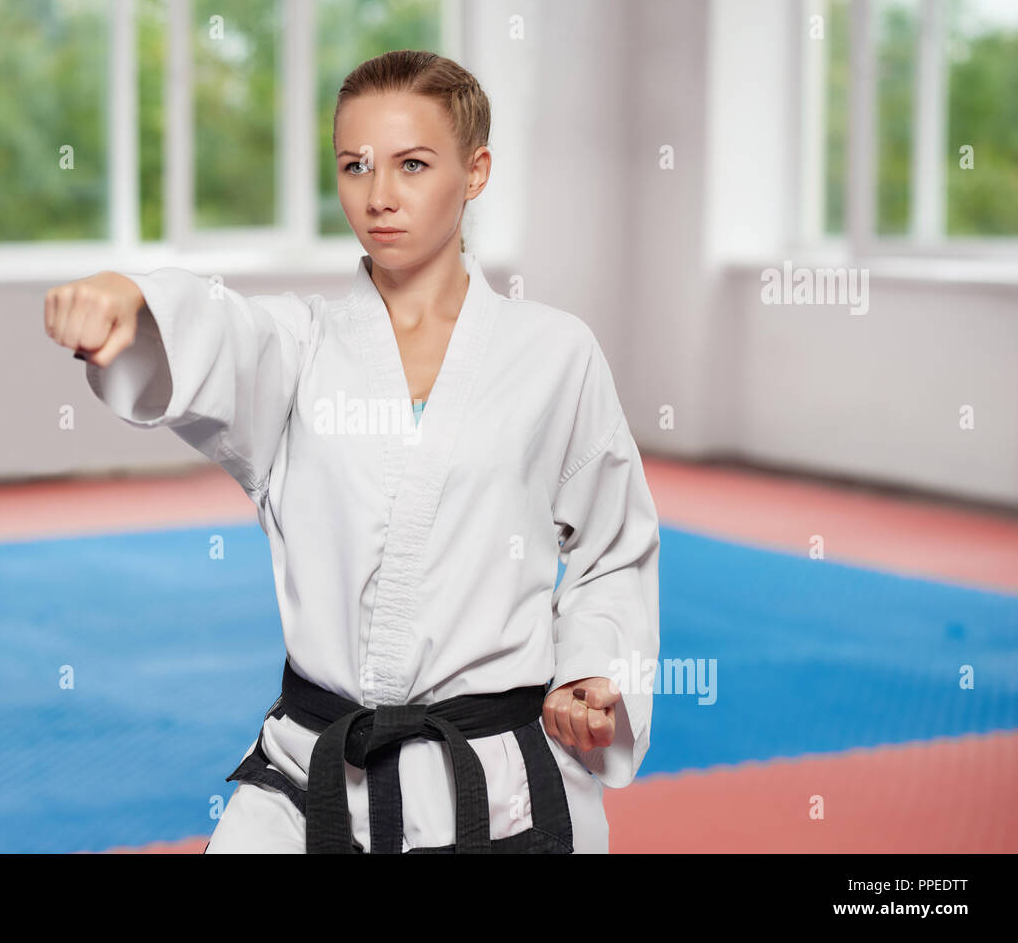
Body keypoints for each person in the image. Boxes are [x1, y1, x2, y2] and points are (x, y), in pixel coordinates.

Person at [43, 50, 660, 853]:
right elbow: (220, 332)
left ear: (475, 173)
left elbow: (613, 550)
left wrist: (594, 671)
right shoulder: (300, 346)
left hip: (496, 782)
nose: (378, 195)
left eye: (412, 164)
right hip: (315, 776)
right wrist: (136, 300)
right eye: (354, 165)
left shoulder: (554, 354)